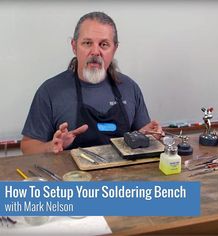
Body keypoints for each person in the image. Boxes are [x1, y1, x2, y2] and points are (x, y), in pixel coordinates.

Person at [20, 11, 164, 154]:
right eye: (87, 43)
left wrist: (150, 136)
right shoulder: (50, 91)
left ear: (114, 49)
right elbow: (27, 147)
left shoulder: (129, 88)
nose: (95, 51)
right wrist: (51, 147)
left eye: (104, 44)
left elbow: (144, 133)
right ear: (74, 46)